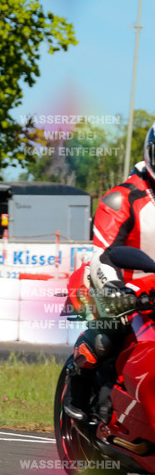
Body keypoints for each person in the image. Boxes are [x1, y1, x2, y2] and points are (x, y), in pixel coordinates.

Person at [64, 122, 155, 421]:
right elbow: (103, 253)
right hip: (120, 284)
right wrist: (116, 291)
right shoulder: (124, 197)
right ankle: (77, 388)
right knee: (108, 335)